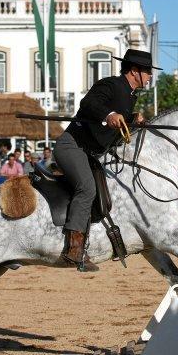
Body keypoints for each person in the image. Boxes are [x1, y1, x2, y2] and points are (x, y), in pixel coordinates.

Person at [52, 49, 159, 271]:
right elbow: (88, 104)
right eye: (147, 71)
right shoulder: (110, 84)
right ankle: (74, 249)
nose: (150, 76)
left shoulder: (130, 96)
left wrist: (132, 118)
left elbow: (119, 121)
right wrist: (109, 115)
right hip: (72, 145)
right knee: (87, 188)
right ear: (134, 71)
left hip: (90, 153)